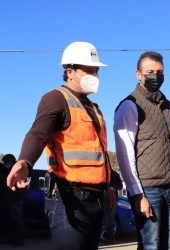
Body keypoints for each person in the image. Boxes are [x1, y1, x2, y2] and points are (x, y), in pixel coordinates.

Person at [6, 41, 112, 250]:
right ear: (70, 72)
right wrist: (25, 161)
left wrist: (107, 187)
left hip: (95, 198)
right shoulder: (55, 98)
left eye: (96, 71)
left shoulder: (93, 107)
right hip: (69, 199)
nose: (95, 75)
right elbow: (38, 132)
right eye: (89, 70)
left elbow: (98, 155)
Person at [113, 51, 170, 250]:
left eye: (159, 72)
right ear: (138, 74)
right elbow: (125, 155)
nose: (155, 76)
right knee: (151, 245)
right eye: (150, 71)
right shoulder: (129, 106)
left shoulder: (167, 106)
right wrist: (138, 195)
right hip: (148, 190)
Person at [2, 154, 26, 247]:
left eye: (6, 162)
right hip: (12, 199)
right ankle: (13, 239)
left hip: (17, 198)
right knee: (13, 220)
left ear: (11, 161)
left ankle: (19, 241)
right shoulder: (10, 170)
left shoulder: (18, 170)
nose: (5, 164)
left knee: (17, 220)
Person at [103, 169, 122, 244]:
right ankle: (110, 237)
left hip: (108, 198)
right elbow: (120, 186)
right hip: (110, 198)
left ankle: (109, 237)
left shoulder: (113, 174)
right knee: (110, 218)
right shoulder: (114, 174)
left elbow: (120, 186)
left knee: (109, 218)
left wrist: (111, 188)